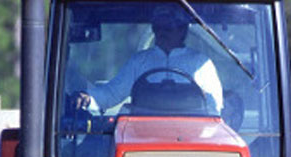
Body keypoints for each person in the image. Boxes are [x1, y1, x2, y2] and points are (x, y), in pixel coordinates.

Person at [74, 8, 223, 115]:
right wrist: (89, 99)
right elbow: (112, 93)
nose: (162, 32)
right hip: (141, 135)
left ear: (183, 29)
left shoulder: (201, 63)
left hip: (191, 137)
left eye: (169, 27)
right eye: (159, 27)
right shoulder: (139, 61)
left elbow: (214, 107)